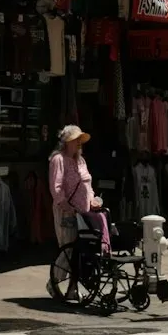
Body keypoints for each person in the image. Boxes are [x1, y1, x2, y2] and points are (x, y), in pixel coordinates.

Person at [47, 124, 107, 300]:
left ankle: (73, 287)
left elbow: (87, 186)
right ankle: (54, 281)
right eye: (75, 140)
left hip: (85, 212)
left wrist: (93, 200)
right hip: (68, 213)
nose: (79, 144)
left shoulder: (81, 161)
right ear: (67, 142)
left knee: (81, 251)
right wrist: (66, 206)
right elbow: (56, 187)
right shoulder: (58, 159)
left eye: (80, 140)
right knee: (68, 250)